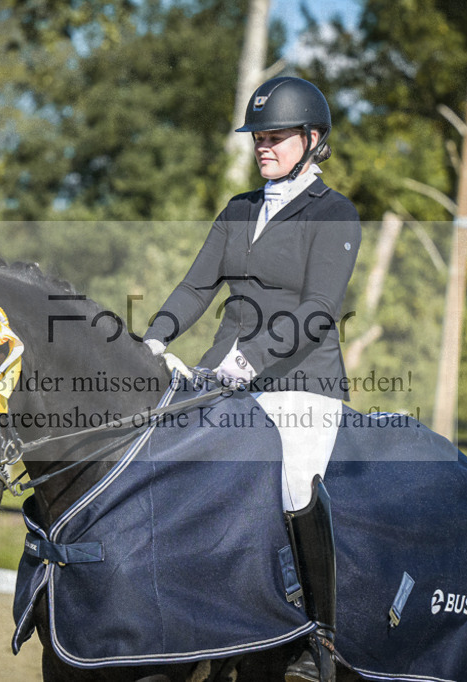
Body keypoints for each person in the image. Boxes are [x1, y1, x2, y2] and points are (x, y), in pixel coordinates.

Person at [143, 76, 361, 682]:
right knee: (165, 465)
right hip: (222, 375)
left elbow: (318, 308)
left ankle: (316, 635)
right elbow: (195, 287)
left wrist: (249, 359)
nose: (264, 146)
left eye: (277, 137)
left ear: (314, 140)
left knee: (293, 484)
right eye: (259, 137)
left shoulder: (334, 214)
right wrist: (154, 338)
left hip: (302, 385)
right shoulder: (238, 210)